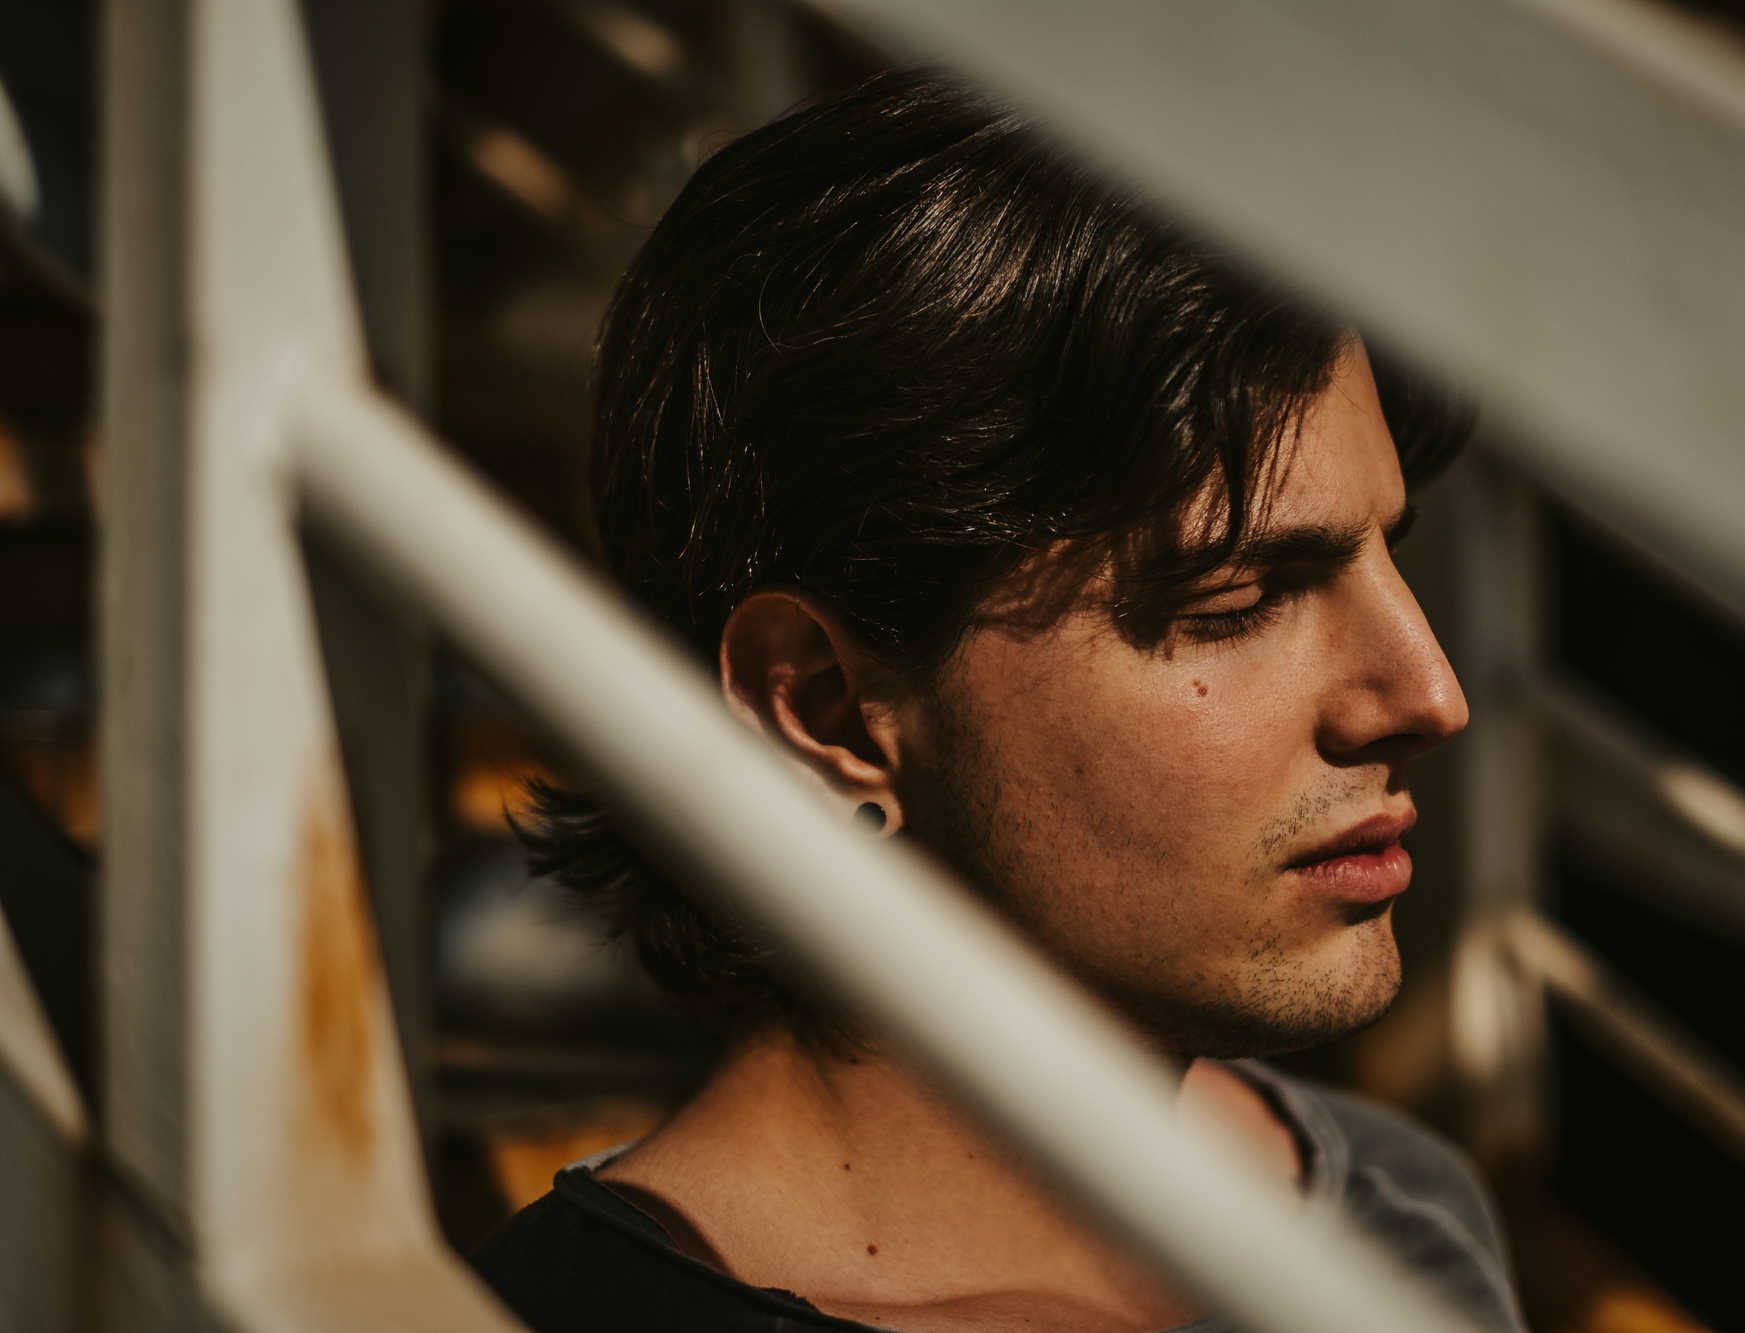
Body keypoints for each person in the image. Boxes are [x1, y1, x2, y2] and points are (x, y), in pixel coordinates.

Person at [475, 68, 1521, 1333]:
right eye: (1237, 599)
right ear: (819, 709)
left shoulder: (1395, 1211)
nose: (1427, 695)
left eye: (1383, 554)